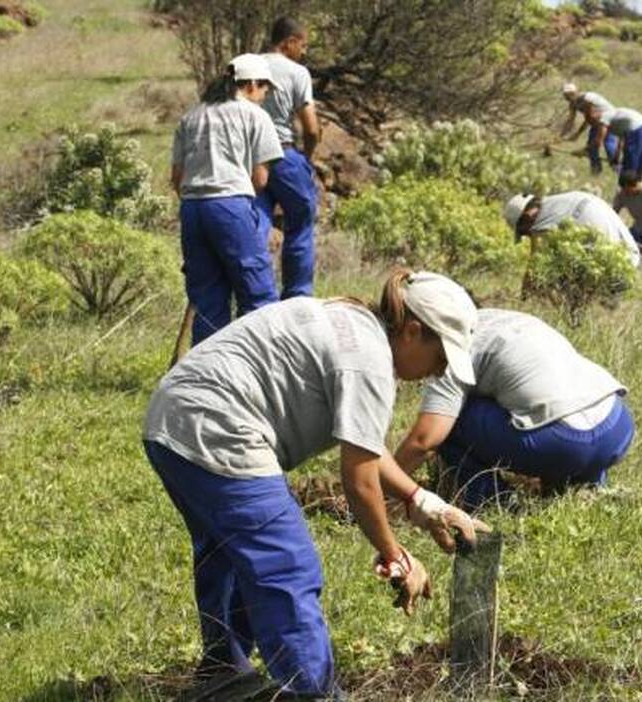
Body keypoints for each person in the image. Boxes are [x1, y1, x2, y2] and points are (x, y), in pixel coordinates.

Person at [142, 270, 488, 700]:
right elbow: (359, 482)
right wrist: (395, 554)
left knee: (228, 552)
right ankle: (314, 693)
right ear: (413, 331)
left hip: (172, 420)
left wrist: (420, 499)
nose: (437, 374)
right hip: (219, 428)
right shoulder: (370, 361)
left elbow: (366, 446)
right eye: (440, 358)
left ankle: (223, 673)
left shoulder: (353, 322)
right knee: (286, 566)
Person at [394, 307, 635, 511]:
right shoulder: (500, 318)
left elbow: (423, 442)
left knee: (450, 422)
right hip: (616, 426)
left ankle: (492, 503)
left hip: (564, 444)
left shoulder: (450, 350)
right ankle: (585, 484)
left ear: (414, 332)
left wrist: (378, 486)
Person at [171, 54, 284, 346]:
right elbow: (260, 179)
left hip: (192, 209)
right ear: (251, 84)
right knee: (259, 296)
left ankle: (207, 374)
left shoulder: (192, 116)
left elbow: (177, 179)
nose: (264, 96)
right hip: (231, 205)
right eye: (264, 89)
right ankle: (260, 366)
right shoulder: (254, 115)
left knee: (208, 300)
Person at [257, 17, 322, 299]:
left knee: (255, 225)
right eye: (303, 45)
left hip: (246, 158)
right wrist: (305, 159)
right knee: (301, 221)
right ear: (289, 42)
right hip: (282, 153)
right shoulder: (297, 72)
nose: (304, 52)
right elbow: (311, 128)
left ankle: (257, 298)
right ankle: (297, 297)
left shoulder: (245, 65)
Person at [502, 191, 641, 268]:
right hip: (632, 257)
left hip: (613, 268)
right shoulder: (565, 199)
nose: (528, 235)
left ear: (527, 217)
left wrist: (523, 300)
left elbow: (534, 269)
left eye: (523, 232)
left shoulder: (540, 224)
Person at [560, 83, 619, 175]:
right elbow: (570, 121)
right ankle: (596, 172)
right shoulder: (573, 104)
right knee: (592, 148)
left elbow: (589, 118)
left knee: (609, 144)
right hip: (597, 123)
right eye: (566, 95)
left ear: (576, 92)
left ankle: (619, 170)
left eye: (570, 94)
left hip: (610, 119)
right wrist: (560, 136)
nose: (568, 97)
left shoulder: (587, 99)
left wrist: (577, 134)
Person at [594, 105, 642, 178]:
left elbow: (600, 138)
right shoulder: (616, 119)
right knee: (638, 162)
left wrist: (591, 150)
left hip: (635, 129)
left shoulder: (604, 116)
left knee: (630, 164)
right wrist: (616, 157)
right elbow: (621, 141)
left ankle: (628, 185)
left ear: (597, 112)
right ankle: (636, 183)